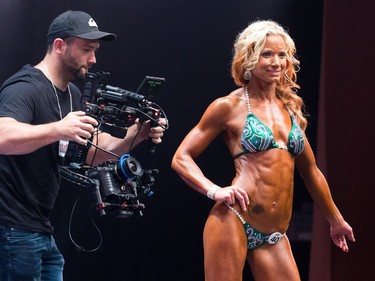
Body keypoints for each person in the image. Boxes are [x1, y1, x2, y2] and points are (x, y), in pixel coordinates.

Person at [171, 19, 355, 281]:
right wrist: (215, 190)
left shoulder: (290, 110)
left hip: (274, 233)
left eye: (282, 55)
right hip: (233, 219)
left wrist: (335, 220)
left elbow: (311, 172)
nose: (276, 62)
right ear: (249, 59)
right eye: (266, 54)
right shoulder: (228, 107)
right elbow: (181, 158)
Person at [0, 10, 166, 281]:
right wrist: (58, 129)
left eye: (95, 50)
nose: (93, 59)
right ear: (59, 46)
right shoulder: (25, 87)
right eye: (87, 49)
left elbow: (93, 152)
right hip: (12, 229)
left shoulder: (73, 95)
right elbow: (2, 137)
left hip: (40, 230)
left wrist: (137, 134)